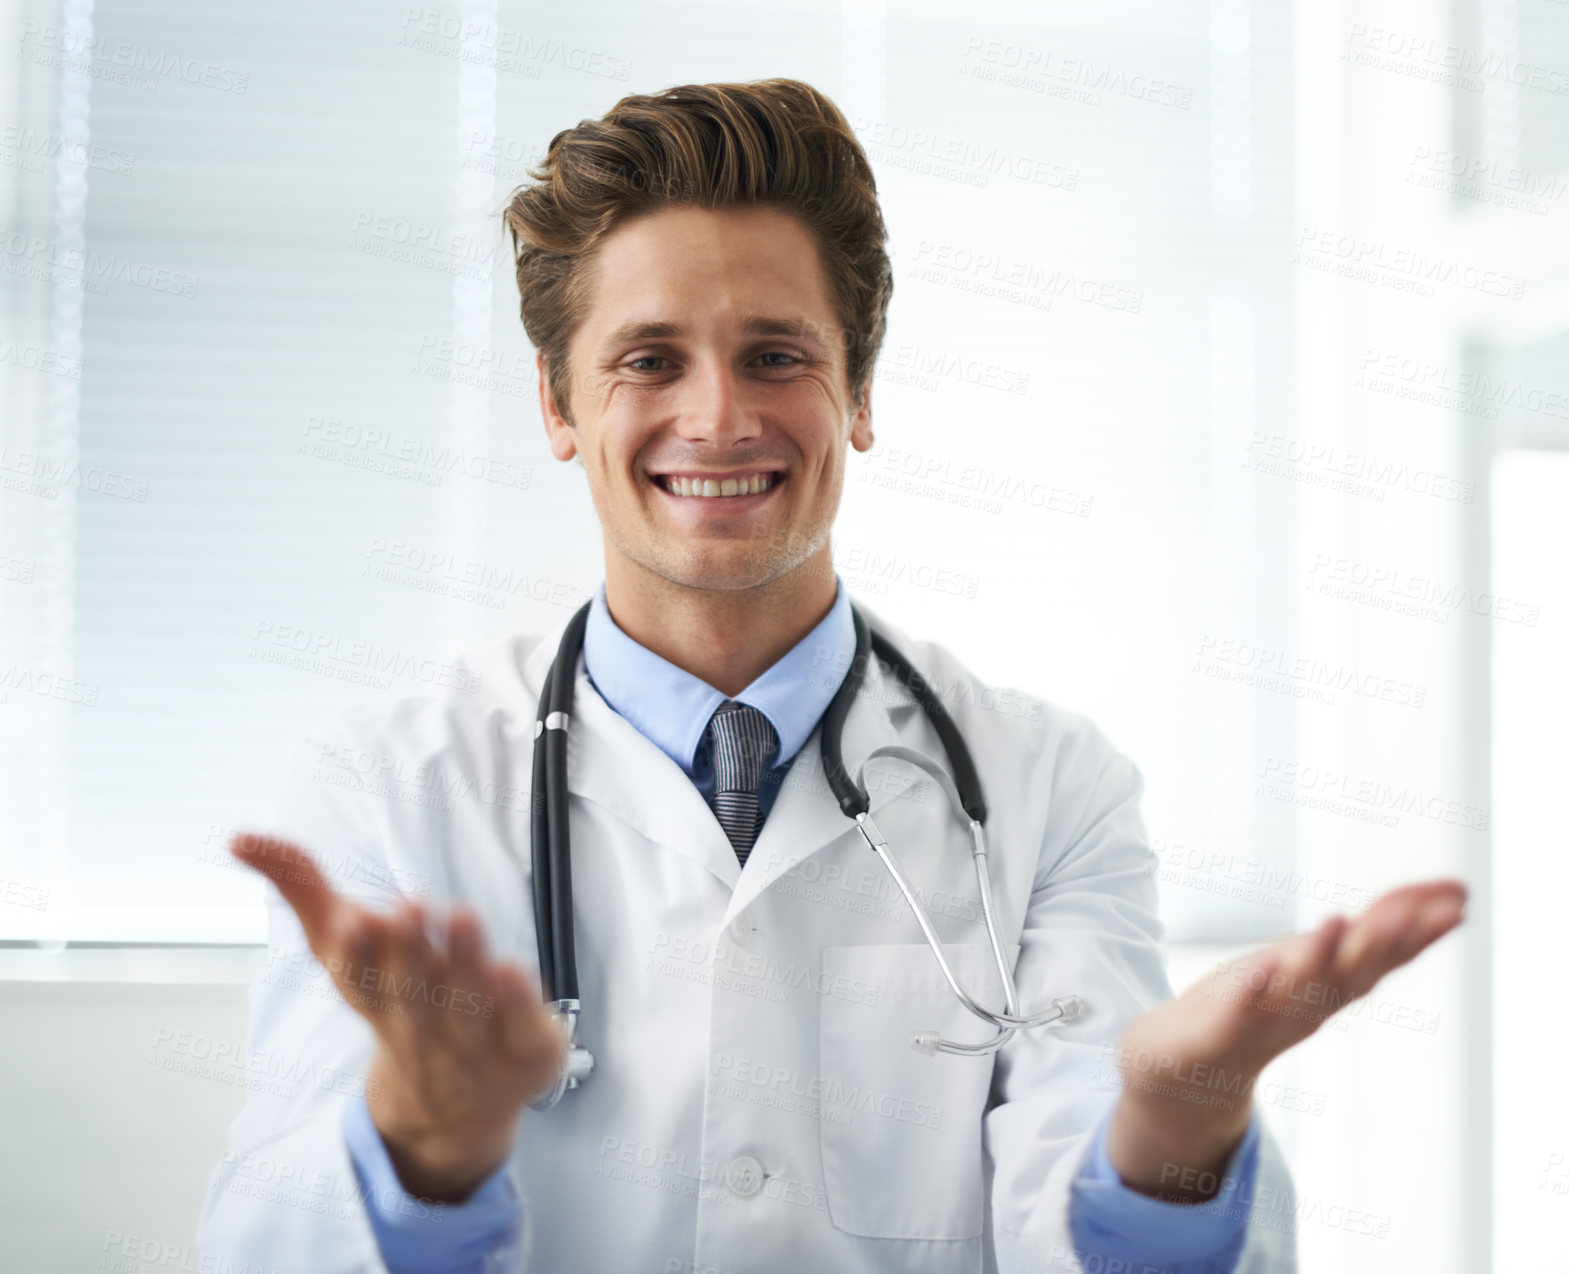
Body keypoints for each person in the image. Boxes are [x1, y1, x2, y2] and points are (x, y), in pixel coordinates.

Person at [195, 78, 1466, 1273]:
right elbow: (265, 1226)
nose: (719, 418)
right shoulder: (387, 788)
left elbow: (1083, 1183)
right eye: (649, 359)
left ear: (858, 387)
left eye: (776, 355)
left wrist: (1177, 1137)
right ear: (557, 403)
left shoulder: (1049, 787)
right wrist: (418, 1148)